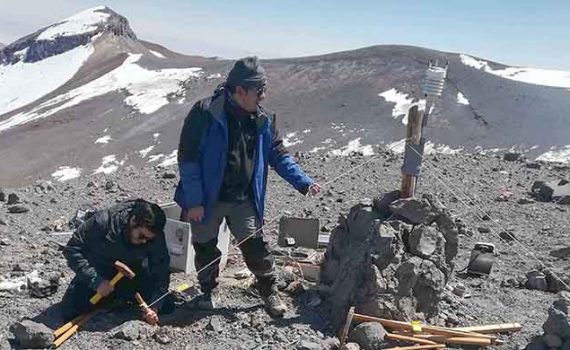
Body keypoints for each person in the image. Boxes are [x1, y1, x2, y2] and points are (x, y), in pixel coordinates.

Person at [174, 56, 321, 317]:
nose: (263, 96)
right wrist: (194, 201)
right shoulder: (205, 112)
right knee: (205, 245)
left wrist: (304, 182)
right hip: (208, 199)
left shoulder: (263, 119)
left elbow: (278, 155)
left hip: (244, 198)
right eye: (259, 90)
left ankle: (269, 292)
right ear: (240, 90)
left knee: (255, 245)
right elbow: (188, 158)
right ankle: (208, 293)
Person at [60, 199, 172, 325]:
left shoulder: (155, 236)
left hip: (134, 274)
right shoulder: (104, 222)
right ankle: (113, 299)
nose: (144, 242)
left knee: (167, 305)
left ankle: (120, 299)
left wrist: (155, 306)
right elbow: (72, 249)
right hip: (101, 271)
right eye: (141, 236)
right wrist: (96, 281)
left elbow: (161, 270)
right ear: (133, 221)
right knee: (72, 309)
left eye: (148, 239)